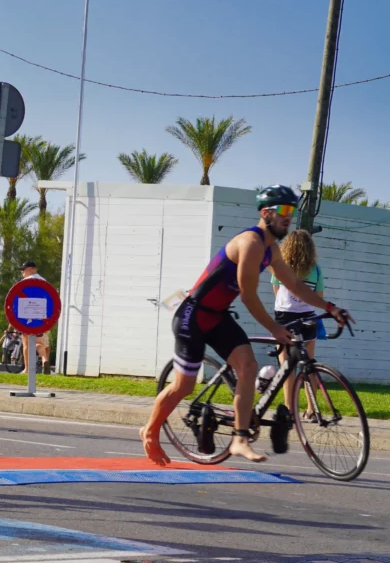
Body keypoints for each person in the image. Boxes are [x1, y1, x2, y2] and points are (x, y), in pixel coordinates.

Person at [140, 185, 351, 465]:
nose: (289, 217)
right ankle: (150, 431)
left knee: (248, 367)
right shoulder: (250, 243)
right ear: (266, 213)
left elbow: (296, 285)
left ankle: (240, 439)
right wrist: (275, 328)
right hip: (192, 315)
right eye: (284, 211)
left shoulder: (271, 250)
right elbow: (248, 294)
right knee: (184, 386)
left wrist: (330, 307)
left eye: (293, 211)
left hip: (217, 316)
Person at [271, 230, 325, 421]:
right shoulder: (316, 270)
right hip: (308, 319)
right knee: (309, 365)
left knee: (287, 367)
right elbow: (319, 297)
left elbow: (276, 291)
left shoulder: (281, 267)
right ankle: (312, 409)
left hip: (285, 318)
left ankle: (289, 408)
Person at [19, 260, 52, 374]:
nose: (22, 272)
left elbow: (18, 299)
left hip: (26, 316)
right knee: (39, 342)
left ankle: (27, 369)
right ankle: (44, 360)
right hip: (41, 316)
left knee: (26, 343)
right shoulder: (44, 281)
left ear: (29, 269)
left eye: (23, 270)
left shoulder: (25, 282)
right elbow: (50, 300)